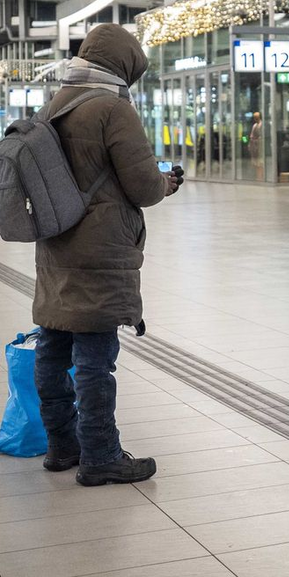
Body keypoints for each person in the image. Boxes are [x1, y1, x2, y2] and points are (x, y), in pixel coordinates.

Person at [33, 24, 181, 487]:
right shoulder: (113, 109)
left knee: (53, 347)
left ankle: (62, 446)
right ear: (124, 65)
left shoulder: (54, 104)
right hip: (101, 250)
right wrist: (166, 182)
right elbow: (143, 187)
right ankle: (100, 455)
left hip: (56, 245)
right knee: (96, 357)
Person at [248, 111, 263, 180]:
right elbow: (252, 136)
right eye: (255, 118)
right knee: (256, 162)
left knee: (260, 162)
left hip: (260, 146)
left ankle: (260, 176)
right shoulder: (254, 126)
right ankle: (258, 176)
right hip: (255, 146)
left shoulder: (262, 125)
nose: (255, 119)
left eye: (256, 117)